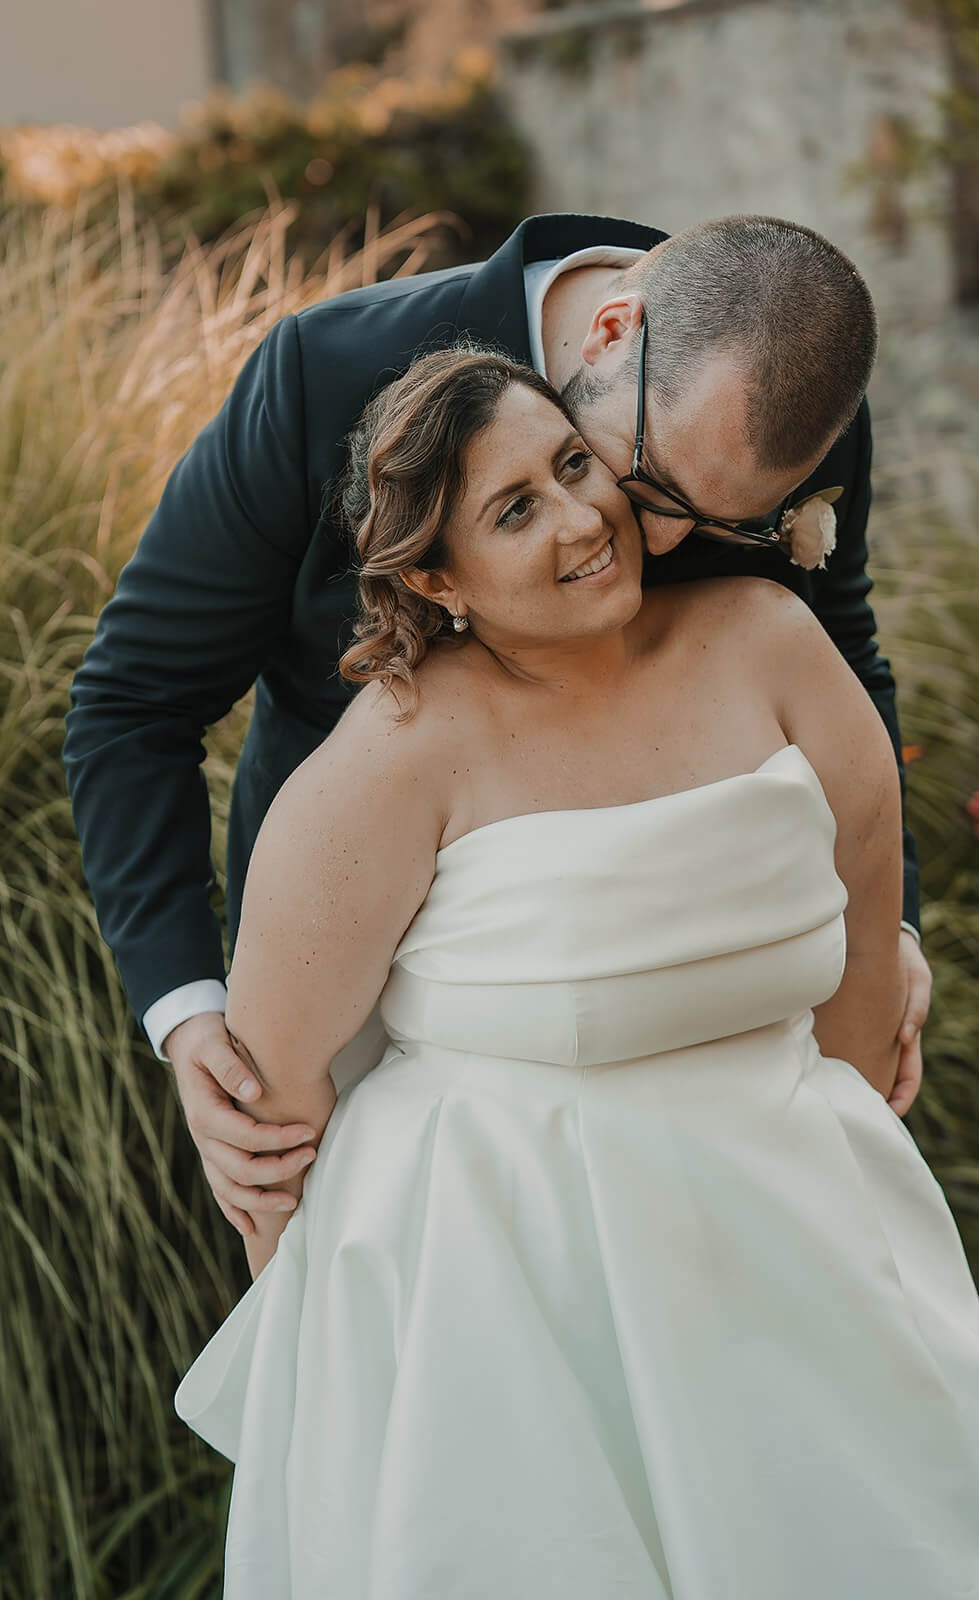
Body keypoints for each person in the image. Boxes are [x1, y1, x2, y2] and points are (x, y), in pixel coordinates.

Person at [173, 344, 979, 1598]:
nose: (578, 518)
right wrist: (331, 1388)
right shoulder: (393, 755)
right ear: (436, 579)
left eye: (569, 465)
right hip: (497, 1309)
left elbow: (864, 959)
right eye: (513, 510)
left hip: (788, 1247)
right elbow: (272, 1115)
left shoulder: (769, 639)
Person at [63, 213, 932, 1243]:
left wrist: (886, 929)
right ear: (609, 333)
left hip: (707, 1028)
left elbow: (841, 656)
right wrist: (184, 1003)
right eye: (648, 486)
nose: (654, 540)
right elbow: (133, 702)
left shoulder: (788, 389)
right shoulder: (318, 376)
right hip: (352, 986)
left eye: (718, 525)